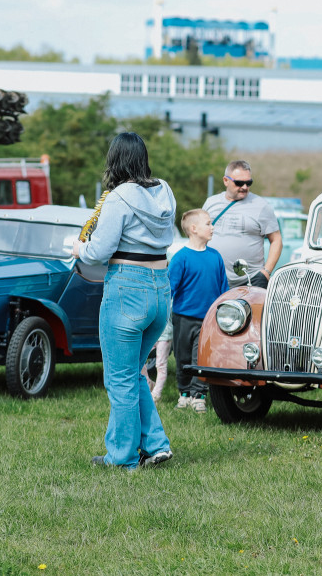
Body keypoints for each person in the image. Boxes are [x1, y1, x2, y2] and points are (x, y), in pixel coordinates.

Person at [72, 132, 175, 470]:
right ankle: (157, 445)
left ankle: (122, 457)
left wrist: (79, 250)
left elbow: (99, 251)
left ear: (115, 159)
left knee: (119, 378)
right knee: (131, 373)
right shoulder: (165, 190)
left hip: (127, 289)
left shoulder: (118, 197)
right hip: (160, 289)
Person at [168, 208, 229, 413]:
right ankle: (184, 393)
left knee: (200, 359)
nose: (212, 227)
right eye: (208, 224)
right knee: (183, 358)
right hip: (183, 318)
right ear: (193, 229)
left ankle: (199, 395)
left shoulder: (216, 257)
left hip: (208, 320)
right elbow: (169, 288)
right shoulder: (181, 258)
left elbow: (224, 290)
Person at [202, 160, 281, 288]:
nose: (244, 187)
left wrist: (266, 272)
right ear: (225, 181)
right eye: (239, 183)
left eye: (248, 183)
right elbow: (199, 236)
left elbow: (276, 240)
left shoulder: (262, 206)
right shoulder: (211, 203)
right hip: (213, 278)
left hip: (250, 281)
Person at [141, 321, 172, 402]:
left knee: (161, 365)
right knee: (139, 360)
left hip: (165, 336)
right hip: (150, 334)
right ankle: (148, 383)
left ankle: (156, 394)